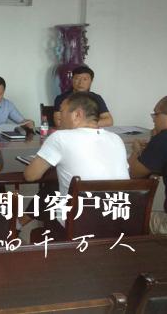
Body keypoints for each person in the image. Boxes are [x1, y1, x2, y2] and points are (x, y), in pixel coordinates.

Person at [21, 92, 129, 239]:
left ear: (77, 114)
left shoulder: (60, 137)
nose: (59, 117)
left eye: (62, 112)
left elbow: (30, 175)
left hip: (77, 227)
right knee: (54, 190)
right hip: (118, 225)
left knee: (52, 196)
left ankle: (18, 228)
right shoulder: (116, 139)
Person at [128, 95, 167, 235]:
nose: (153, 119)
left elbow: (133, 173)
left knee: (130, 218)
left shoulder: (163, 139)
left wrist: (136, 151)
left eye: (156, 114)